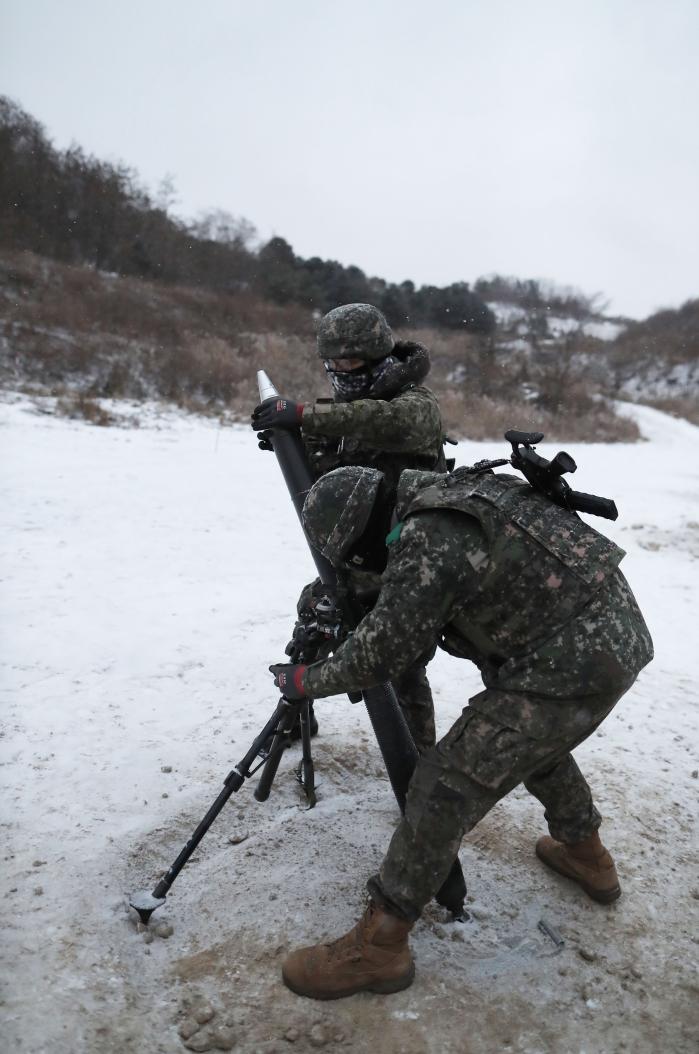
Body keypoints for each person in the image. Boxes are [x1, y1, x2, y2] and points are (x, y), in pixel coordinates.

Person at [268, 463, 654, 1000]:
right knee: (533, 744)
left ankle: (379, 947)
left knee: (446, 782)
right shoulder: (438, 495)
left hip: (570, 662)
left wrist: (306, 680)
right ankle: (588, 857)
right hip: (604, 635)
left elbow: (383, 653)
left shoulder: (430, 538)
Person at [252, 302, 448, 753]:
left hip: (413, 559)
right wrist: (291, 446)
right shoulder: (345, 411)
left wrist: (302, 415)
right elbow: (334, 482)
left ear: (379, 358)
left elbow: (387, 423)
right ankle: (295, 715)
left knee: (403, 663)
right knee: (315, 614)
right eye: (333, 365)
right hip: (359, 556)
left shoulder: (415, 403)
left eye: (352, 364)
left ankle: (416, 763)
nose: (341, 373)